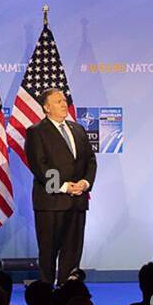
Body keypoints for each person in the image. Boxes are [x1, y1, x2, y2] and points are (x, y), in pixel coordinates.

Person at [24, 87, 97, 286]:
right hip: (51, 203)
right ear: (46, 108)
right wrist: (64, 187)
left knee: (72, 251)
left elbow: (90, 160)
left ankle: (67, 290)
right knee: (48, 252)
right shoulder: (36, 132)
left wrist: (85, 182)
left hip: (78, 201)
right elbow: (40, 166)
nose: (64, 104)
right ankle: (47, 293)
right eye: (58, 101)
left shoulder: (78, 129)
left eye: (64, 100)